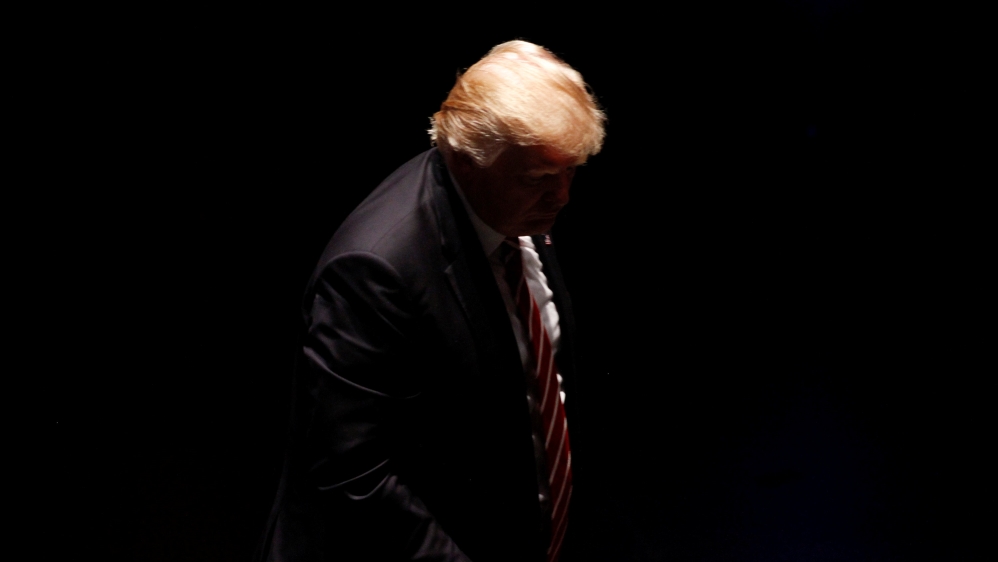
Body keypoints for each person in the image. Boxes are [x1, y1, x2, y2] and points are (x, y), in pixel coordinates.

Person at [257, 40, 606, 562]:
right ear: (467, 163)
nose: (563, 197)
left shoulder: (517, 210)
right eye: (540, 180)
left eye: (571, 172)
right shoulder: (374, 270)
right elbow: (354, 477)